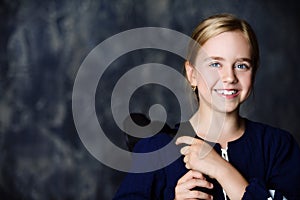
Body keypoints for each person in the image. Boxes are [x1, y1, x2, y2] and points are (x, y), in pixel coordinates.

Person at [113, 13, 300, 199]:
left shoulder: (278, 146)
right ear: (192, 73)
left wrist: (222, 170)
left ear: (254, 71)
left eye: (241, 66)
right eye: (215, 64)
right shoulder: (157, 148)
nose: (229, 77)